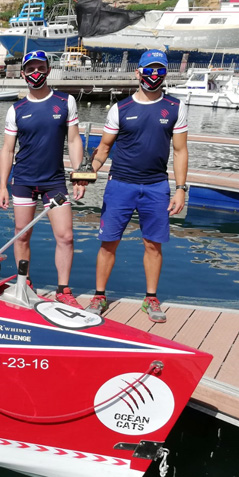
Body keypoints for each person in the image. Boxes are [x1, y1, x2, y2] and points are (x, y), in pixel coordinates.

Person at [86, 49, 189, 323]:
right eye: (149, 70)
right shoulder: (120, 108)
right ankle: (99, 295)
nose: (153, 76)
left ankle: (151, 299)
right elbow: (104, 148)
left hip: (156, 187)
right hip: (120, 185)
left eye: (159, 71)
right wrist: (88, 174)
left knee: (153, 245)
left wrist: (181, 188)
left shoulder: (175, 107)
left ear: (165, 74)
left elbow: (180, 151)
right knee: (109, 242)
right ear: (138, 72)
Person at [0, 50, 87, 308]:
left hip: (54, 182)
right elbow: (7, 149)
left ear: (48, 70)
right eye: (31, 69)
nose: (35, 73)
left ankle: (63, 289)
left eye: (40, 68)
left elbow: (73, 140)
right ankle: (24, 283)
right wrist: (3, 185)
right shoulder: (16, 109)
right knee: (21, 235)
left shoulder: (65, 101)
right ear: (24, 73)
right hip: (24, 181)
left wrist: (79, 176)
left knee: (66, 236)